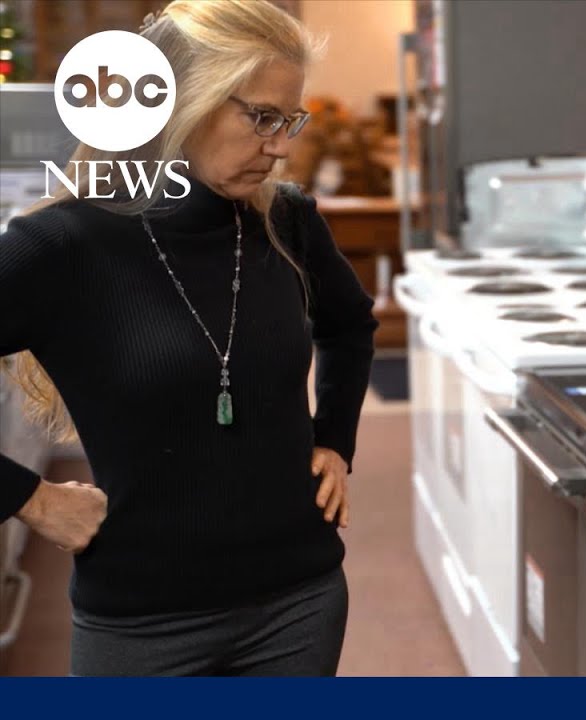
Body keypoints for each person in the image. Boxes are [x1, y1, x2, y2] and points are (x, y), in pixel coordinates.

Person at [0, 0, 377, 676]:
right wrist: (31, 499)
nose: (281, 146)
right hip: (141, 624)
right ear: (181, 102)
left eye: (290, 121)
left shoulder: (285, 222)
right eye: (262, 118)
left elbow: (350, 324)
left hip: (301, 601)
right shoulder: (61, 246)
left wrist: (335, 441)